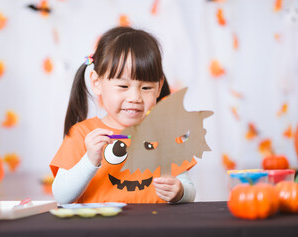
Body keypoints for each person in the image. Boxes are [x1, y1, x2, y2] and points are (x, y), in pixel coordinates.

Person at [50, 26, 196, 204]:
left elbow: (189, 190)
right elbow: (61, 197)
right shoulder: (82, 134)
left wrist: (180, 192)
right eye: (123, 86)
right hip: (98, 230)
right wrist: (89, 160)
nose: (135, 98)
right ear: (97, 83)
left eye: (146, 88)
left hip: (154, 230)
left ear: (159, 86)